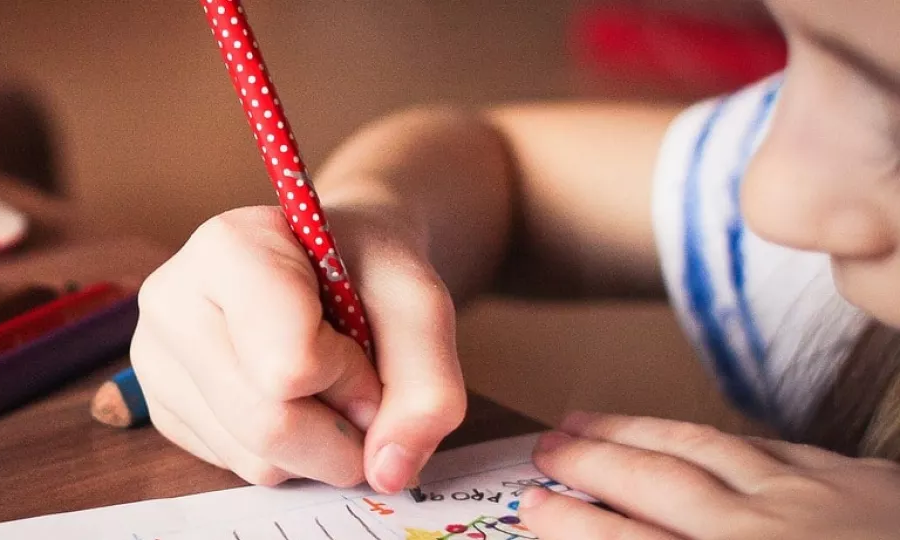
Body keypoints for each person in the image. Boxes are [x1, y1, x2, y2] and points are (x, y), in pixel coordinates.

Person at [129, 0, 900, 537]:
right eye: (796, 62)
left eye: (894, 113)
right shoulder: (819, 203)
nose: (767, 198)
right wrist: (375, 222)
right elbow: (504, 167)